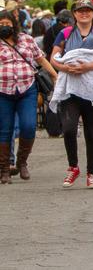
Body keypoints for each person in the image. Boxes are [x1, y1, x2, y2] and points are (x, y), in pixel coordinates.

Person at [49, 0, 93, 189]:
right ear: (74, 14)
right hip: (70, 89)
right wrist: (64, 68)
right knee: (68, 129)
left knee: (91, 133)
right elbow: (53, 57)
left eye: (88, 10)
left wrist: (87, 66)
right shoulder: (65, 33)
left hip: (92, 88)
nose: (84, 13)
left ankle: (91, 173)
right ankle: (73, 167)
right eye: (80, 11)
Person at [0, 11, 58, 183]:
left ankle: (22, 162)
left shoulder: (26, 39)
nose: (4, 26)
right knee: (4, 129)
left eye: (7, 23)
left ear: (14, 23)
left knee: (28, 125)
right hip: (3, 91)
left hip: (27, 89)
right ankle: (3, 169)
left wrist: (55, 76)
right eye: (1, 23)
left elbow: (40, 59)